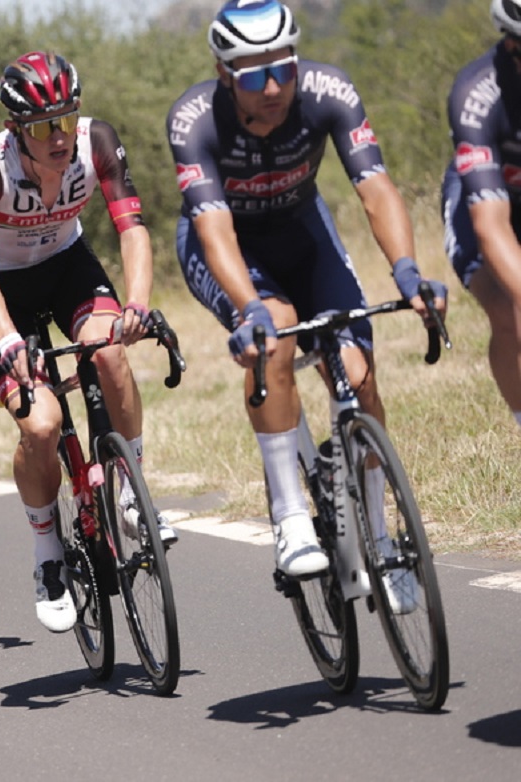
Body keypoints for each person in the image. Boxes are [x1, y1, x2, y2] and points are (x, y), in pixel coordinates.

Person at [166, 0, 446, 593]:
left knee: (357, 370)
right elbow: (216, 233)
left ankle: (380, 533)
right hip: (229, 248)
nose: (273, 87)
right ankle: (291, 513)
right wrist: (251, 310)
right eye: (253, 74)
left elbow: (376, 188)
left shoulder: (328, 90)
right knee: (276, 335)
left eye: (283, 68)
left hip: (302, 232)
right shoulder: (195, 119)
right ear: (223, 74)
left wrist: (406, 273)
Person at [0, 50, 169, 634]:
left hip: (68, 264)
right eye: (41, 126)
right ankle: (47, 553)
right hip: (4, 287)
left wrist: (137, 304)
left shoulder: (95, 139)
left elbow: (132, 229)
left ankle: (132, 487)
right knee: (42, 425)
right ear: (14, 129)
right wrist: (5, 340)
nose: (58, 136)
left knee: (108, 351)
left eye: (65, 119)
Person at [443, 0, 521, 430]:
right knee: (507, 308)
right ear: (512, 45)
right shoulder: (477, 93)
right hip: (484, 202)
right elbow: (491, 226)